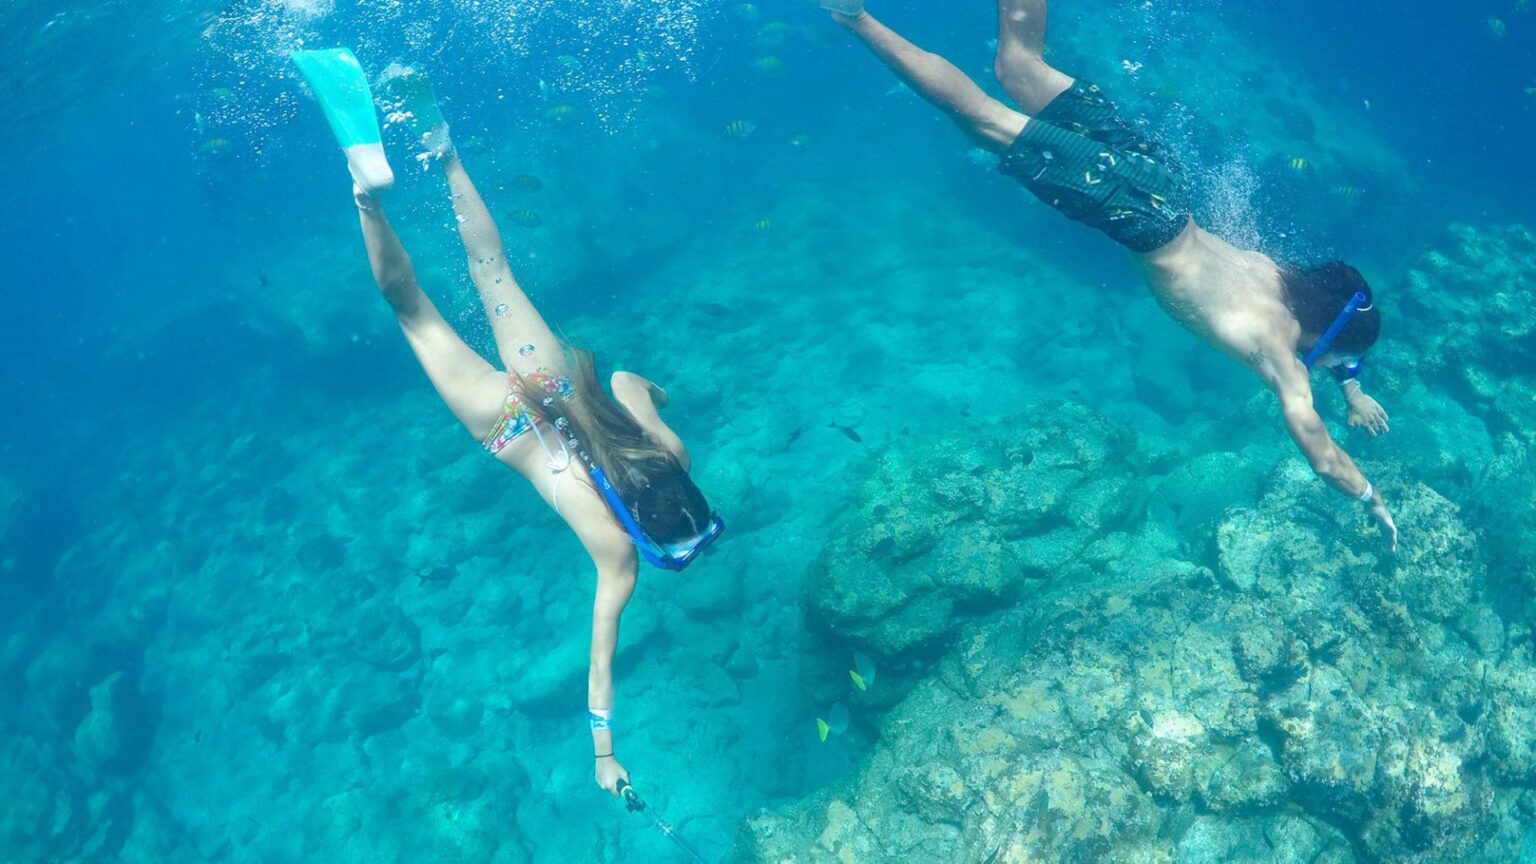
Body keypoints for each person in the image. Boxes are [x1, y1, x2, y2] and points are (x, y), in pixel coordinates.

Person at [290, 51, 724, 795]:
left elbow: (621, 379)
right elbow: (599, 659)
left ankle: (442, 150)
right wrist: (603, 758)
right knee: (413, 310)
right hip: (506, 428)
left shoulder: (667, 448)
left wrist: (656, 390)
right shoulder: (617, 556)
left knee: (491, 267)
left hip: (550, 382)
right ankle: (367, 195)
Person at [816, 0, 1398, 549]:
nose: (1326, 370)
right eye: (1333, 363)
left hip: (1159, 178)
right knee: (982, 121)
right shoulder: (1281, 358)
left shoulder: (1278, 275)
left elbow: (1345, 322)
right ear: (1324, 341)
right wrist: (1369, 496)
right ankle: (856, 16)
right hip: (1133, 209)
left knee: (1018, 65)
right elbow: (1321, 455)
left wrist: (1352, 385)